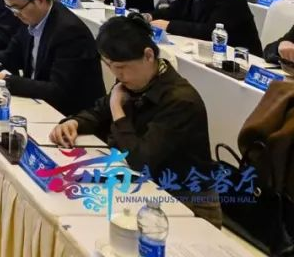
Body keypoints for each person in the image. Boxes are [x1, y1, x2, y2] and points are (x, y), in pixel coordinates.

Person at [50, 15, 221, 226]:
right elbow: (99, 112)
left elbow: (141, 160)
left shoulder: (180, 101)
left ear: (148, 55)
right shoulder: (136, 81)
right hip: (145, 189)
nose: (116, 74)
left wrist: (117, 109)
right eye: (109, 66)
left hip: (187, 204)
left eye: (121, 67)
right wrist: (74, 123)